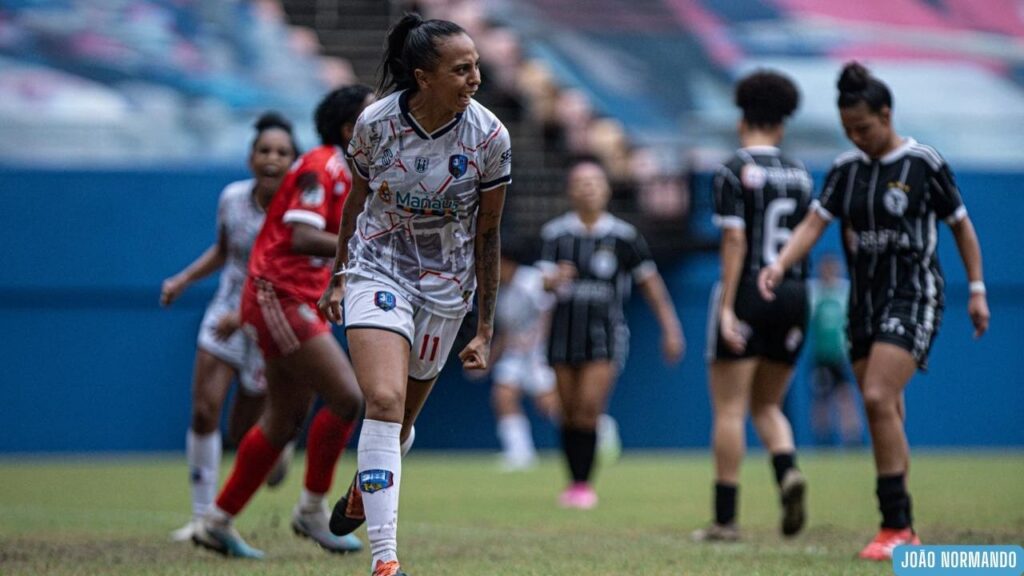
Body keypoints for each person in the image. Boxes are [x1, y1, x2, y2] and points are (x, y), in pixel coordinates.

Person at [758, 62, 990, 560]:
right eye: (848, 131)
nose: (857, 138)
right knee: (886, 408)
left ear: (886, 115)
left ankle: (896, 525)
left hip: (913, 294)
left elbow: (962, 228)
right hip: (862, 305)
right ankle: (906, 524)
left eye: (863, 128)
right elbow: (813, 226)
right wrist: (779, 263)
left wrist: (976, 288)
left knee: (877, 394)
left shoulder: (924, 163)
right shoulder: (845, 171)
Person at [317, 14, 511, 576]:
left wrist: (485, 327)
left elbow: (489, 231)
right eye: (462, 69)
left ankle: (362, 490)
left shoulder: (490, 137)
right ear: (423, 77)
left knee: (399, 426)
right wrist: (337, 274)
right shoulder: (375, 124)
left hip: (448, 288)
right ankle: (386, 561)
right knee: (383, 401)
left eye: (477, 66)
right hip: (379, 268)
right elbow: (355, 204)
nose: (476, 77)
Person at [191, 85, 374, 559]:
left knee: (284, 419)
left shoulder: (350, 172)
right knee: (347, 397)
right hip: (278, 293)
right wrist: (364, 248)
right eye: (375, 113)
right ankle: (312, 509)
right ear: (351, 128)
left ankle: (217, 521)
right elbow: (301, 236)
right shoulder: (322, 166)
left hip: (300, 298)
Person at [159, 112, 298, 542]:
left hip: (267, 325)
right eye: (264, 151)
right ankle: (205, 517)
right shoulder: (232, 198)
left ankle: (279, 447)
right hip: (224, 314)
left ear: (294, 162)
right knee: (203, 410)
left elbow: (290, 272)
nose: (272, 159)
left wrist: (247, 316)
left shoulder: (298, 211)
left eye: (282, 152)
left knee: (244, 435)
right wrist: (184, 279)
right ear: (250, 157)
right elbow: (224, 250)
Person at [693, 70, 812, 542]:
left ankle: (725, 520)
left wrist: (727, 305)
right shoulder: (800, 173)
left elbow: (736, 238)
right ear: (782, 125)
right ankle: (787, 471)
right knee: (768, 403)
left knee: (730, 408)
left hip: (746, 291)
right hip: (793, 293)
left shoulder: (732, 168)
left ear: (743, 119)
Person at [539, 156, 685, 510]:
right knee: (569, 411)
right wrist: (551, 280)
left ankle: (584, 485)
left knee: (589, 408)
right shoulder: (555, 235)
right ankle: (573, 481)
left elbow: (650, 284)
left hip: (605, 335)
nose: (588, 189)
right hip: (562, 334)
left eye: (594, 182)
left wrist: (671, 327)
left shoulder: (623, 237)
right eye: (581, 183)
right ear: (570, 191)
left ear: (605, 190)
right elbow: (540, 284)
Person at [808, 253, 863, 447]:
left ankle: (852, 439)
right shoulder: (814, 293)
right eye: (826, 268)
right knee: (821, 400)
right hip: (821, 357)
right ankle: (824, 441)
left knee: (846, 396)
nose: (829, 273)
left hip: (840, 356)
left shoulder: (845, 292)